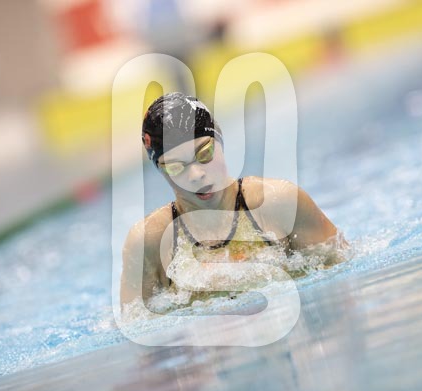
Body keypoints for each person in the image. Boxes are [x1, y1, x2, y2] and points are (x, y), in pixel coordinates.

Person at [121, 92, 342, 309]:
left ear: (220, 141)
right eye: (176, 167)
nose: (196, 174)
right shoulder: (148, 241)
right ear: (161, 171)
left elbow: (340, 280)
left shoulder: (280, 203)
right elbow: (137, 324)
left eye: (204, 153)